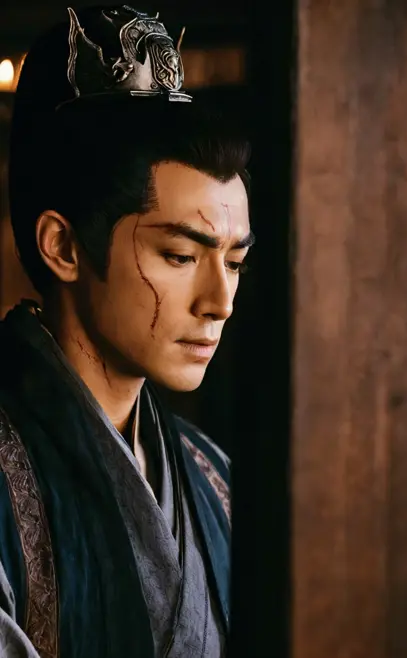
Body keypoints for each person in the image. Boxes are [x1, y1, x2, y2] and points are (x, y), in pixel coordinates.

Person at [0, 5, 252, 657]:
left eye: (233, 262)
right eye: (181, 255)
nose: (220, 302)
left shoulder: (212, 476)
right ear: (63, 246)